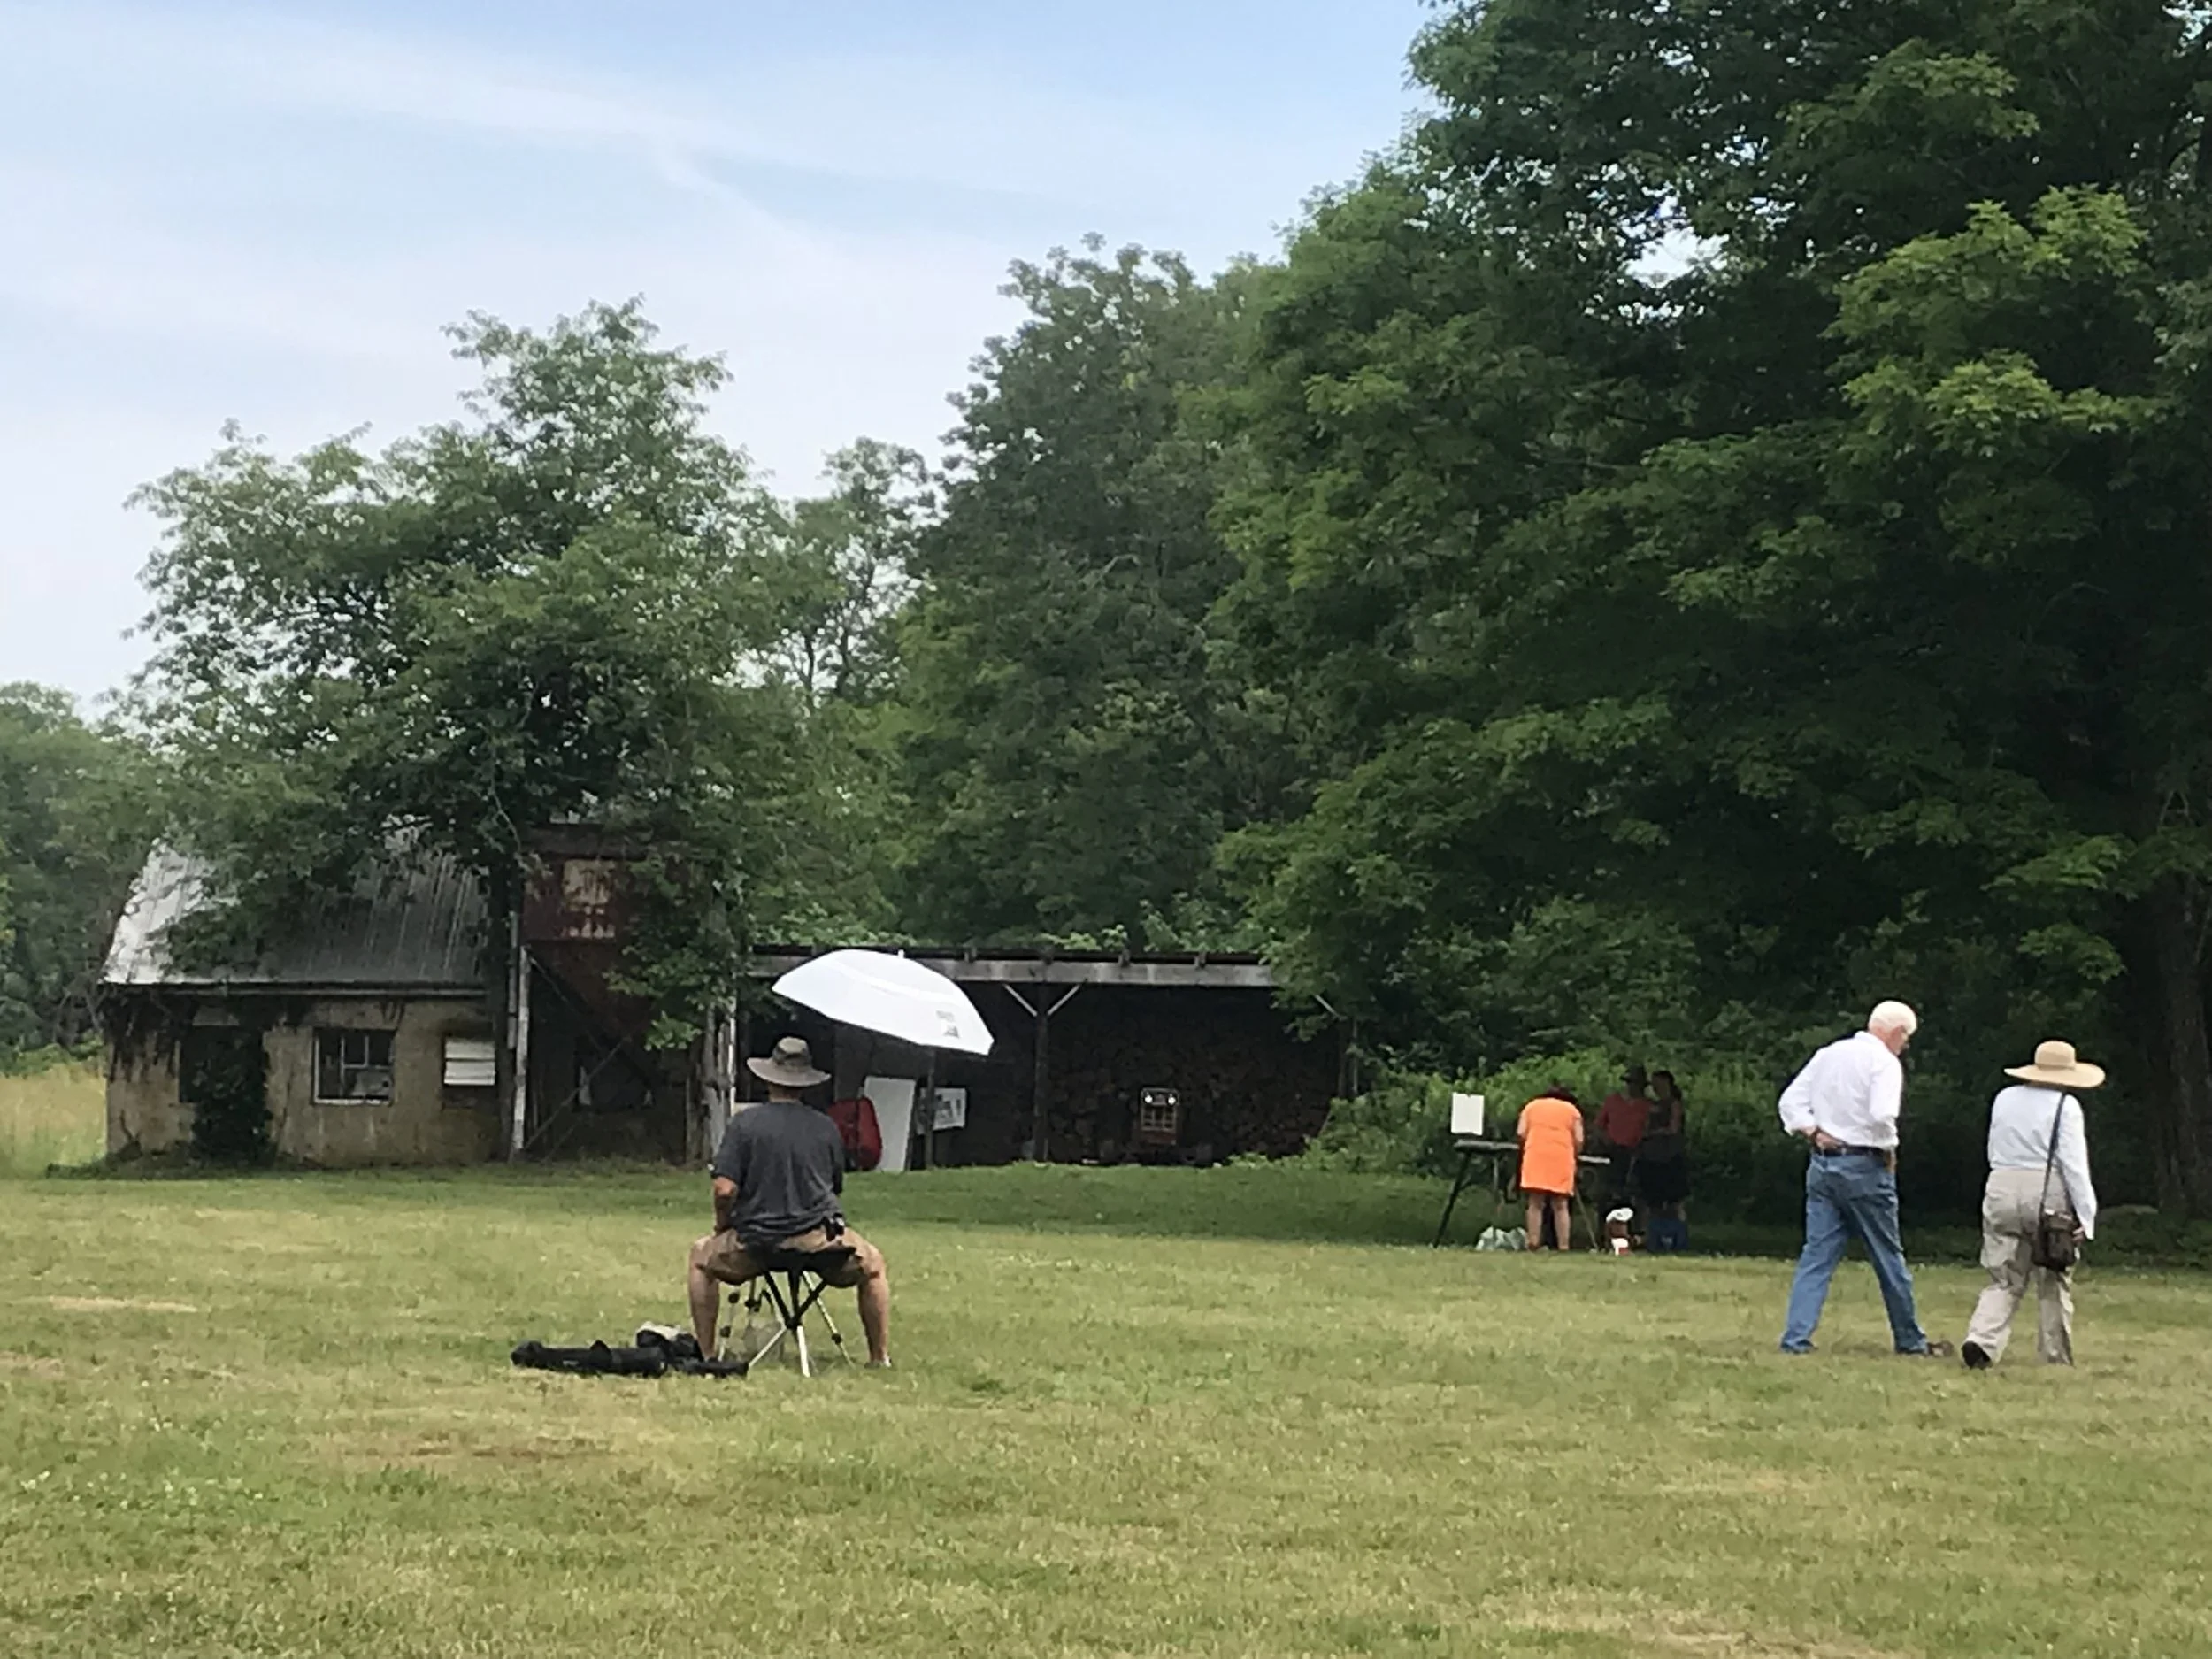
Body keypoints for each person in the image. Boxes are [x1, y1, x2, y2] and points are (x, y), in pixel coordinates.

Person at [686, 1036, 893, 1366]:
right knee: (874, 1265)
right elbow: (834, 1188)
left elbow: (724, 1190)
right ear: (805, 1083)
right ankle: (878, 1357)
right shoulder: (827, 1127)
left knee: (700, 1257)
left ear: (768, 1079)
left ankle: (708, 1354)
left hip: (757, 1245)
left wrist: (722, 1225)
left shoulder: (745, 1124)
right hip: (821, 1246)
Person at [1775, 1002, 1951, 1357]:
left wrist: (1812, 1130)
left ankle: (1796, 1339)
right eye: (1906, 1037)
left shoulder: (1829, 1054)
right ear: (1897, 1032)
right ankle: (1909, 1340)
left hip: (1823, 1164)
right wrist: (1890, 1149)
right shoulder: (1884, 1063)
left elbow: (1790, 1101)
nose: (1905, 1045)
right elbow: (1883, 1114)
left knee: (1816, 1255)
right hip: (1865, 1165)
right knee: (1887, 1255)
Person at [1962, 1041, 2102, 1371]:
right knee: (2054, 1272)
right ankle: (2055, 1357)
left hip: (2001, 1182)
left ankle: (1982, 1340)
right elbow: (2074, 1164)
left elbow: (1994, 1146)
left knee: (2003, 1275)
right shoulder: (2065, 1106)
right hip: (2046, 1187)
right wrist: (2086, 1214)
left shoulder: (2004, 1099)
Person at [1517, 1086, 1585, 1251]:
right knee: (1560, 1204)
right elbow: (1579, 1139)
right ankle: (1563, 1245)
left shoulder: (1531, 1106)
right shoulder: (1572, 1111)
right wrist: (1575, 1154)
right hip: (1562, 1155)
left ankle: (1533, 1242)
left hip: (1536, 1154)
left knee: (1535, 1202)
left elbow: (1520, 1133)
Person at [1638, 1069, 1690, 1251]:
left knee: (1676, 1201)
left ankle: (1680, 1237)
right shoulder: (1653, 1105)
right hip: (1652, 1156)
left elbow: (1673, 1128)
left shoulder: (1674, 1104)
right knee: (1651, 1200)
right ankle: (1651, 1237)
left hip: (1671, 1155)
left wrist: (1652, 1133)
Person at [1594, 1065, 1651, 1210]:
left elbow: (1649, 1128)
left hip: (1636, 1151)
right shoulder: (1613, 1101)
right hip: (1612, 1149)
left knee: (1634, 1190)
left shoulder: (1647, 1105)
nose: (1633, 1087)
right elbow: (1599, 1125)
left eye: (1637, 1083)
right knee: (1608, 1188)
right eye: (1631, 1083)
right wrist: (1605, 1139)